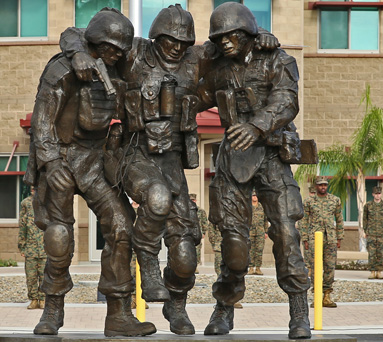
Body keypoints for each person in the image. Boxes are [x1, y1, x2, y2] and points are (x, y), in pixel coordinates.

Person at [59, 5, 279, 334]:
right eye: (168, 40)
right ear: (155, 36)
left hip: (173, 161)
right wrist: (77, 53)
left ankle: (176, 304)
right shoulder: (133, 52)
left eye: (182, 41)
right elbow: (77, 34)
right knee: (157, 199)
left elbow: (235, 43)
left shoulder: (199, 57)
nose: (176, 47)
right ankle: (147, 264)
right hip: (135, 153)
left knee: (186, 252)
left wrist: (259, 34)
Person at [24, 8, 155, 337]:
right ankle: (52, 309)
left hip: (95, 160)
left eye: (118, 51)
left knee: (122, 225)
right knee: (59, 237)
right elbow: (42, 120)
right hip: (61, 158)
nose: (114, 55)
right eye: (109, 47)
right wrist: (51, 161)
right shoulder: (62, 68)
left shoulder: (118, 71)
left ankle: (119, 313)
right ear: (95, 41)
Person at [198, 3, 311, 339]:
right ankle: (224, 309)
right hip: (233, 161)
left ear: (247, 33)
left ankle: (299, 312)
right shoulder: (217, 67)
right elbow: (193, 94)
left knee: (287, 235)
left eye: (233, 35)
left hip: (272, 158)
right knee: (233, 242)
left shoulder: (279, 60)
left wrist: (258, 126)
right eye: (220, 38)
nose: (227, 42)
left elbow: (287, 100)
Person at [302, 176, 344, 308]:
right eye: (320, 185)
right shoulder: (309, 201)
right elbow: (303, 221)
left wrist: (339, 237)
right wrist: (305, 239)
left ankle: (327, 295)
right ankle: (317, 295)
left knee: (330, 267)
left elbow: (339, 219)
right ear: (316, 186)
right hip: (314, 238)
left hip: (330, 238)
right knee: (315, 268)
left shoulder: (334, 200)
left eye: (325, 185)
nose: (323, 187)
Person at [19, 186, 47, 309]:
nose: (33, 190)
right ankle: (33, 299)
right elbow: (22, 228)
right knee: (31, 276)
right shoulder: (25, 203)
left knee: (44, 275)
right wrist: (22, 246)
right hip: (30, 248)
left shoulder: (46, 202)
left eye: (36, 188)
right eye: (32, 188)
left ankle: (43, 299)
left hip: (44, 248)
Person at [363, 186, 383, 280]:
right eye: (376, 194)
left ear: (381, 194)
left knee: (380, 253)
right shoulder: (368, 205)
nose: (377, 195)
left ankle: (379, 272)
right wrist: (365, 230)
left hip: (382, 233)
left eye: (379, 194)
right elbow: (365, 219)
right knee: (371, 253)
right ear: (373, 194)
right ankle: (372, 272)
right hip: (371, 233)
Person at [297, 185, 316, 275]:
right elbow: (302, 219)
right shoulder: (306, 203)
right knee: (308, 251)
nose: (313, 195)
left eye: (314, 193)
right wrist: (304, 233)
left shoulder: (319, 203)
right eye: (312, 193)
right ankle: (309, 268)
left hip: (317, 231)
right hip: (308, 231)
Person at [248, 190, 268, 276]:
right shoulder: (248, 207)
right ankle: (251, 268)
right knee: (250, 250)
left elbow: (265, 220)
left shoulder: (262, 207)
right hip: (250, 231)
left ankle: (258, 268)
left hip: (260, 231)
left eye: (255, 196)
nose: (254, 197)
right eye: (253, 196)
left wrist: (266, 231)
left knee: (259, 249)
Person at [190, 193, 209, 274]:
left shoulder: (200, 211)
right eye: (191, 200)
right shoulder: (185, 210)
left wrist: (204, 232)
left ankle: (195, 267)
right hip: (188, 233)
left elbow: (204, 222)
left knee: (197, 251)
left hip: (197, 233)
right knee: (188, 250)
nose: (193, 201)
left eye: (194, 200)